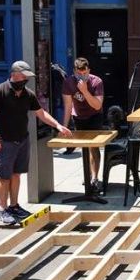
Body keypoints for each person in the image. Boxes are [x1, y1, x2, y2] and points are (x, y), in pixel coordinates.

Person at [0, 61, 71, 225]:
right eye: (23, 77)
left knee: (17, 174)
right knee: (4, 176)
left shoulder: (27, 94)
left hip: (22, 138)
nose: (25, 80)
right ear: (14, 74)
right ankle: (2, 209)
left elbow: (41, 113)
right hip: (5, 140)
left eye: (27, 77)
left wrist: (58, 125)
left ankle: (14, 205)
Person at [62, 57, 104, 190]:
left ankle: (95, 177)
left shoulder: (96, 81)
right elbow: (68, 106)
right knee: (84, 148)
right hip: (78, 117)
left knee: (94, 147)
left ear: (89, 71)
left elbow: (97, 106)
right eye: (79, 74)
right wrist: (64, 126)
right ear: (74, 71)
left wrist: (85, 91)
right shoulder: (68, 82)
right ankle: (88, 174)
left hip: (94, 115)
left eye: (84, 73)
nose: (82, 76)